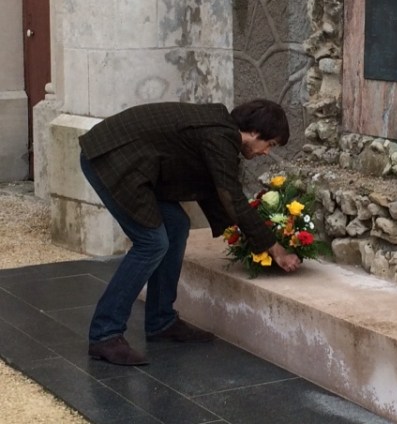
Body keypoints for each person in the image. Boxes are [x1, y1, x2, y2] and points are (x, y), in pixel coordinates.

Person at [79, 99, 301, 366]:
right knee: (151, 243)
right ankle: (105, 334)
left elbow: (214, 189)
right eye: (270, 144)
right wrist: (274, 247)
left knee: (176, 226)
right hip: (110, 159)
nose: (266, 152)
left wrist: (244, 233)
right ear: (254, 132)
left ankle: (161, 321)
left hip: (135, 165)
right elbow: (230, 196)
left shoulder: (221, 132)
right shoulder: (220, 136)